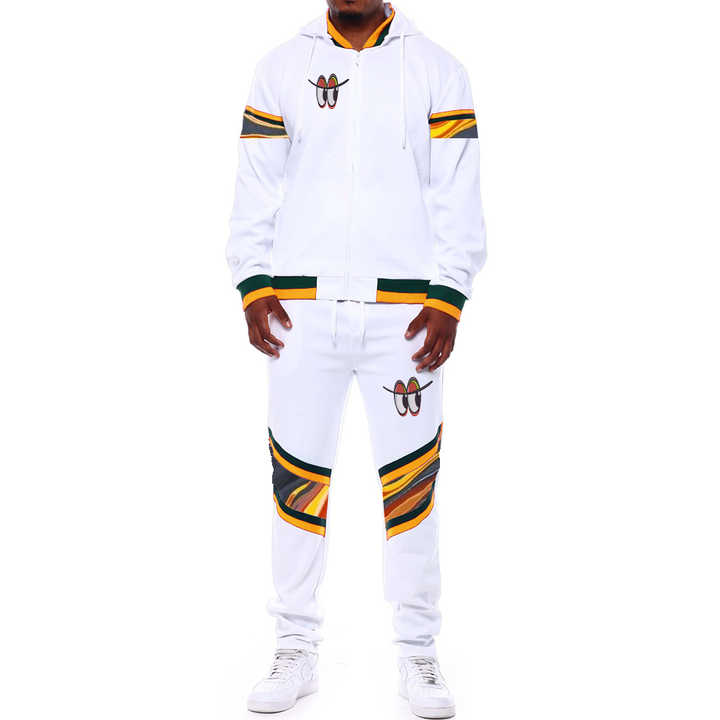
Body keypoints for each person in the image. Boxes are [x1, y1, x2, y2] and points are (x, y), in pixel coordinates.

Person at [226, 1, 486, 716]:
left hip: (407, 313)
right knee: (296, 479)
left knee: (411, 485)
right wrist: (252, 283)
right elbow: (256, 183)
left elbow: (458, 189)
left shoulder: (438, 69)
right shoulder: (282, 67)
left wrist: (450, 294)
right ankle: (295, 647)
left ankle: (418, 652)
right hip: (298, 311)